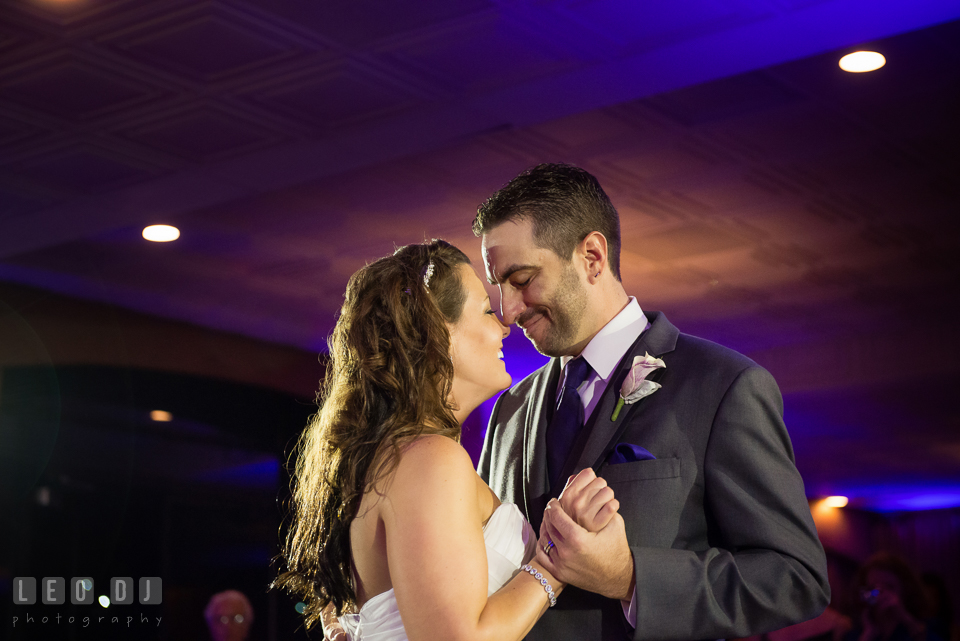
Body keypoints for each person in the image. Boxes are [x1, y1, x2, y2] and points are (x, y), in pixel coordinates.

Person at [473, 163, 831, 640]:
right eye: (499, 287)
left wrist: (630, 578)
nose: (508, 309)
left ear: (593, 257)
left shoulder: (723, 386)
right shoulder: (508, 409)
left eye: (521, 279)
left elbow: (795, 578)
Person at [272, 240, 619, 641]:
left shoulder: (399, 459)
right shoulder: (430, 458)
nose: (503, 326)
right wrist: (553, 563)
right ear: (437, 333)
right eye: (487, 311)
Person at [845, 553, 940, 641]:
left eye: (888, 587)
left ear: (906, 589)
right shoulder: (855, 634)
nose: (879, 593)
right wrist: (867, 635)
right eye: (872, 588)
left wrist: (908, 621)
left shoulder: (927, 626)